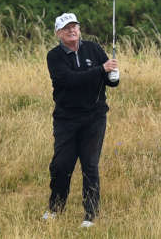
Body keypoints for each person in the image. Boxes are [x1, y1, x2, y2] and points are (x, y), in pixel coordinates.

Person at [42, 13, 119, 228]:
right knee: (61, 165)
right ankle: (56, 208)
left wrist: (114, 76)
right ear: (58, 33)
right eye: (66, 28)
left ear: (79, 29)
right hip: (66, 118)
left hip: (94, 117)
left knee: (90, 165)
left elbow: (109, 79)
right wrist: (101, 70)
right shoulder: (54, 56)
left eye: (74, 26)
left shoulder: (93, 49)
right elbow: (68, 80)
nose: (71, 30)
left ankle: (90, 215)